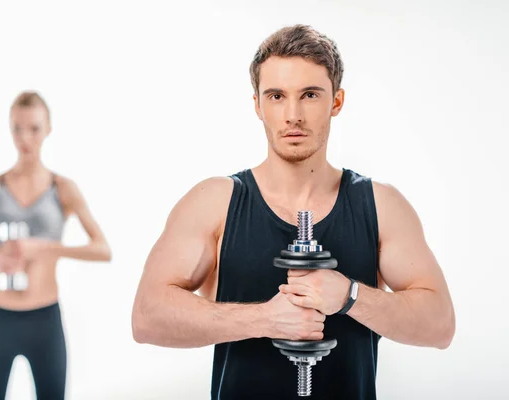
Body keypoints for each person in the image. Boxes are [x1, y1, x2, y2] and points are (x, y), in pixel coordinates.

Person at [131, 24, 455, 400]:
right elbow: (147, 317)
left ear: (336, 101)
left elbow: (440, 326)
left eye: (310, 95)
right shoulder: (214, 202)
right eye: (276, 96)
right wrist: (264, 318)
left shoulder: (380, 204)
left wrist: (349, 296)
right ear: (258, 105)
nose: (293, 114)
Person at [0, 91, 112, 400]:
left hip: (44, 319)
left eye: (34, 128)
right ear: (9, 128)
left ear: (48, 129)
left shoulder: (63, 189)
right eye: (17, 128)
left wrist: (44, 247)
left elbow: (102, 250)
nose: (25, 137)